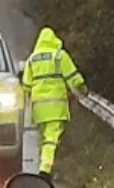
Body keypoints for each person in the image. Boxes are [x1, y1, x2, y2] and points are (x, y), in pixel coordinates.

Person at [23, 26, 87, 177]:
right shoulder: (59, 56)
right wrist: (82, 88)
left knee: (44, 138)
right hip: (56, 106)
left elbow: (26, 85)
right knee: (51, 139)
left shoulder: (32, 59)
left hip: (38, 108)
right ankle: (45, 170)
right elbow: (73, 76)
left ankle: (45, 165)